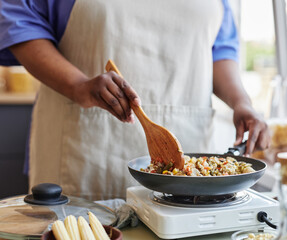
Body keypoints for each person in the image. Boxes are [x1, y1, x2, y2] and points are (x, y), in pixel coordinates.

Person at [0, 0, 270, 200]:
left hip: (190, 156)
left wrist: (241, 102)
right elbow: (18, 19)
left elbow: (219, 48)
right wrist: (79, 86)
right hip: (85, 149)